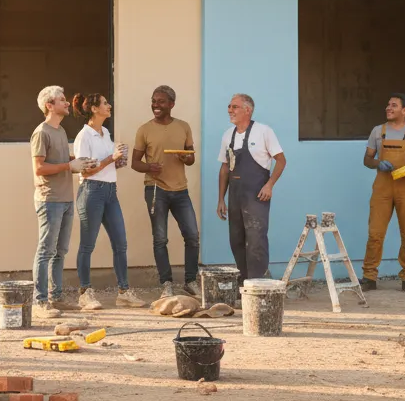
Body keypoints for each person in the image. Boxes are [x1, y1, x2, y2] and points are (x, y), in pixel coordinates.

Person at [71, 92, 146, 311]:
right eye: (105, 103)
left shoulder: (105, 132)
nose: (109, 106)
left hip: (110, 191)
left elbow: (105, 164)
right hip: (91, 191)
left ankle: (124, 292)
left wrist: (118, 162)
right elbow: (86, 170)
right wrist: (110, 159)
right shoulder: (83, 136)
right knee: (88, 244)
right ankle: (85, 293)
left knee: (120, 243)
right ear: (94, 109)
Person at [30, 85, 93, 319]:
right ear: (50, 105)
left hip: (66, 198)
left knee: (60, 251)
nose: (67, 103)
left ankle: (56, 297)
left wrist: (78, 161)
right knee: (45, 251)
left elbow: (59, 159)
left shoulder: (60, 130)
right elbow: (39, 168)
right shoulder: (41, 132)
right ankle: (40, 301)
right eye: (62, 100)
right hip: (50, 200)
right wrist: (69, 166)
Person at [360, 93, 405, 294]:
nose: (388, 108)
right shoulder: (377, 131)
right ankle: (369, 276)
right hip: (382, 187)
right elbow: (367, 160)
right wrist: (377, 163)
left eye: (394, 105)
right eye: (388, 104)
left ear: (404, 110)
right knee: (375, 233)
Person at [132, 85, 200, 299]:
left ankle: (190, 281)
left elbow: (191, 157)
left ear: (171, 104)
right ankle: (167, 283)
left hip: (180, 190)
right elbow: (135, 162)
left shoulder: (184, 126)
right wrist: (149, 167)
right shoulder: (144, 129)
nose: (156, 105)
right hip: (155, 189)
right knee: (160, 239)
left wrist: (186, 158)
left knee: (192, 236)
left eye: (161, 101)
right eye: (154, 101)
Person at [216, 94, 286, 281]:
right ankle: (244, 281)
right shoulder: (227, 135)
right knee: (236, 239)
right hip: (235, 195)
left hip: (256, 195)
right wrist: (221, 198)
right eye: (229, 106)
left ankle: (258, 283)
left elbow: (281, 160)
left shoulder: (263, 131)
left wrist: (269, 185)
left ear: (248, 110)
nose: (230, 110)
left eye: (235, 107)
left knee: (256, 239)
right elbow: (224, 168)